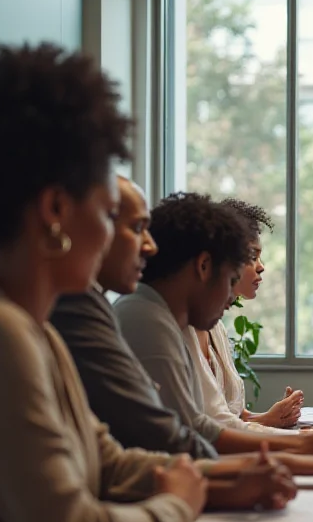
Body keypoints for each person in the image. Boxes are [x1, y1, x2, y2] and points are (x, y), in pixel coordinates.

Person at [0, 44, 294, 522]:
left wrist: (225, 482)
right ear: (56, 212)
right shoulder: (4, 333)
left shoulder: (37, 330)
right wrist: (180, 506)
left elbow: (107, 461)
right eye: (111, 215)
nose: (144, 246)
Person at [114, 191, 313, 474]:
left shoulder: (162, 314)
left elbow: (197, 426)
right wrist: (299, 448)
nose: (231, 297)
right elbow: (188, 436)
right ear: (204, 266)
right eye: (231, 279)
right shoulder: (147, 318)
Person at [50, 176, 217, 459]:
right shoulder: (83, 309)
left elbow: (108, 458)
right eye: (137, 227)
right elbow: (160, 434)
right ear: (57, 215)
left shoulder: (94, 305)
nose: (150, 247)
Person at [188, 198, 303, 435]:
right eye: (252, 256)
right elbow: (213, 425)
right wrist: (297, 439)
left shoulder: (215, 324)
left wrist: (271, 418)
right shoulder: (182, 323)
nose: (261, 267)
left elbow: (231, 416)